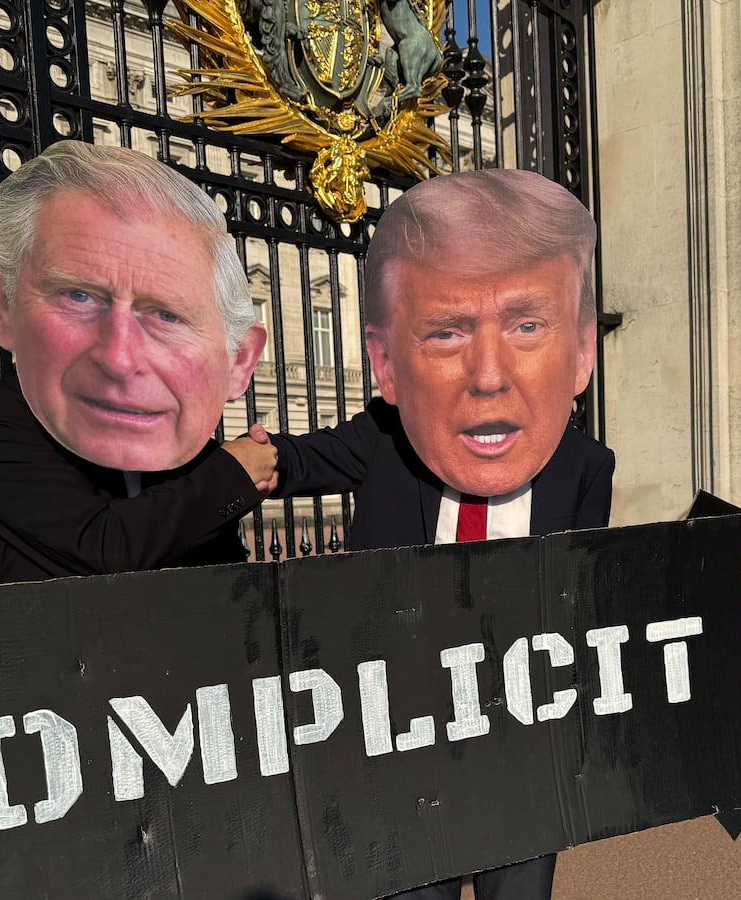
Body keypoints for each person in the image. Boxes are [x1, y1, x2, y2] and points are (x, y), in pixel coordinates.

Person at [258, 168, 614, 900]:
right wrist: (228, 461)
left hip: (521, 756)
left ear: (580, 354)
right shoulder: (385, 442)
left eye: (525, 326)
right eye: (448, 332)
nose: (488, 377)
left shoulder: (585, 467)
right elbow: (291, 462)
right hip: (404, 755)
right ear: (387, 365)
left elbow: (583, 602)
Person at [0, 141, 276, 585]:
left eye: (166, 314)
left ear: (239, 360)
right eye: (78, 296)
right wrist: (233, 474)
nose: (119, 359)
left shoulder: (196, 454)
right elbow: (104, 550)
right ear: (3, 304)